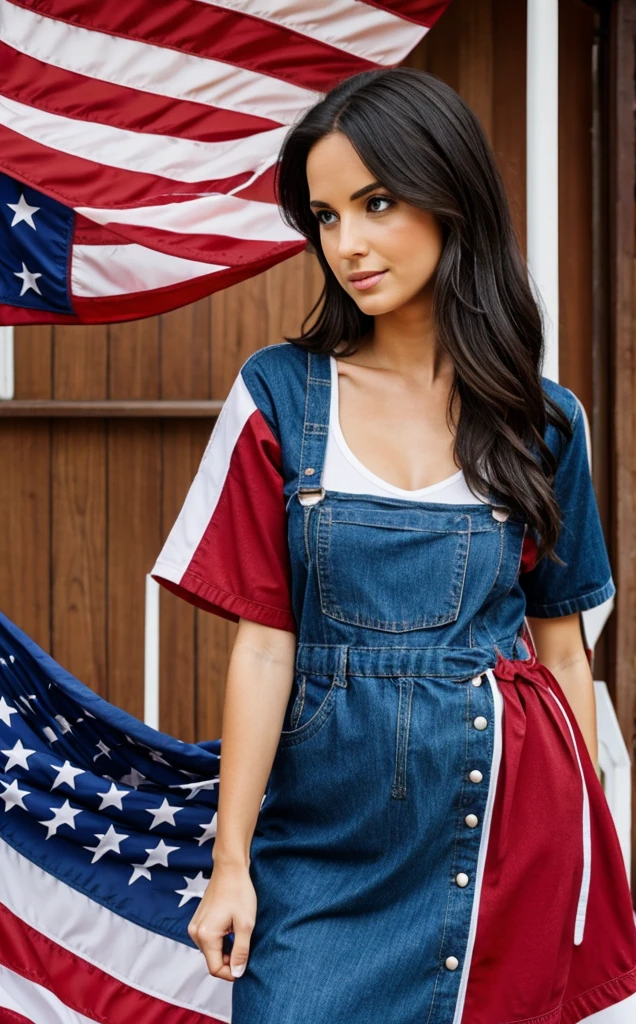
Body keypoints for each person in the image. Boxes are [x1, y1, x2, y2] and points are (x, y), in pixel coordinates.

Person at [150, 68, 636, 1024]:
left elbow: (564, 649)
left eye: (376, 203)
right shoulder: (278, 395)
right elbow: (264, 643)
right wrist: (232, 863)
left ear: (451, 194)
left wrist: (586, 845)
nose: (349, 245)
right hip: (323, 852)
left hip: (504, 827)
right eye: (326, 218)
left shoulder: (545, 424)